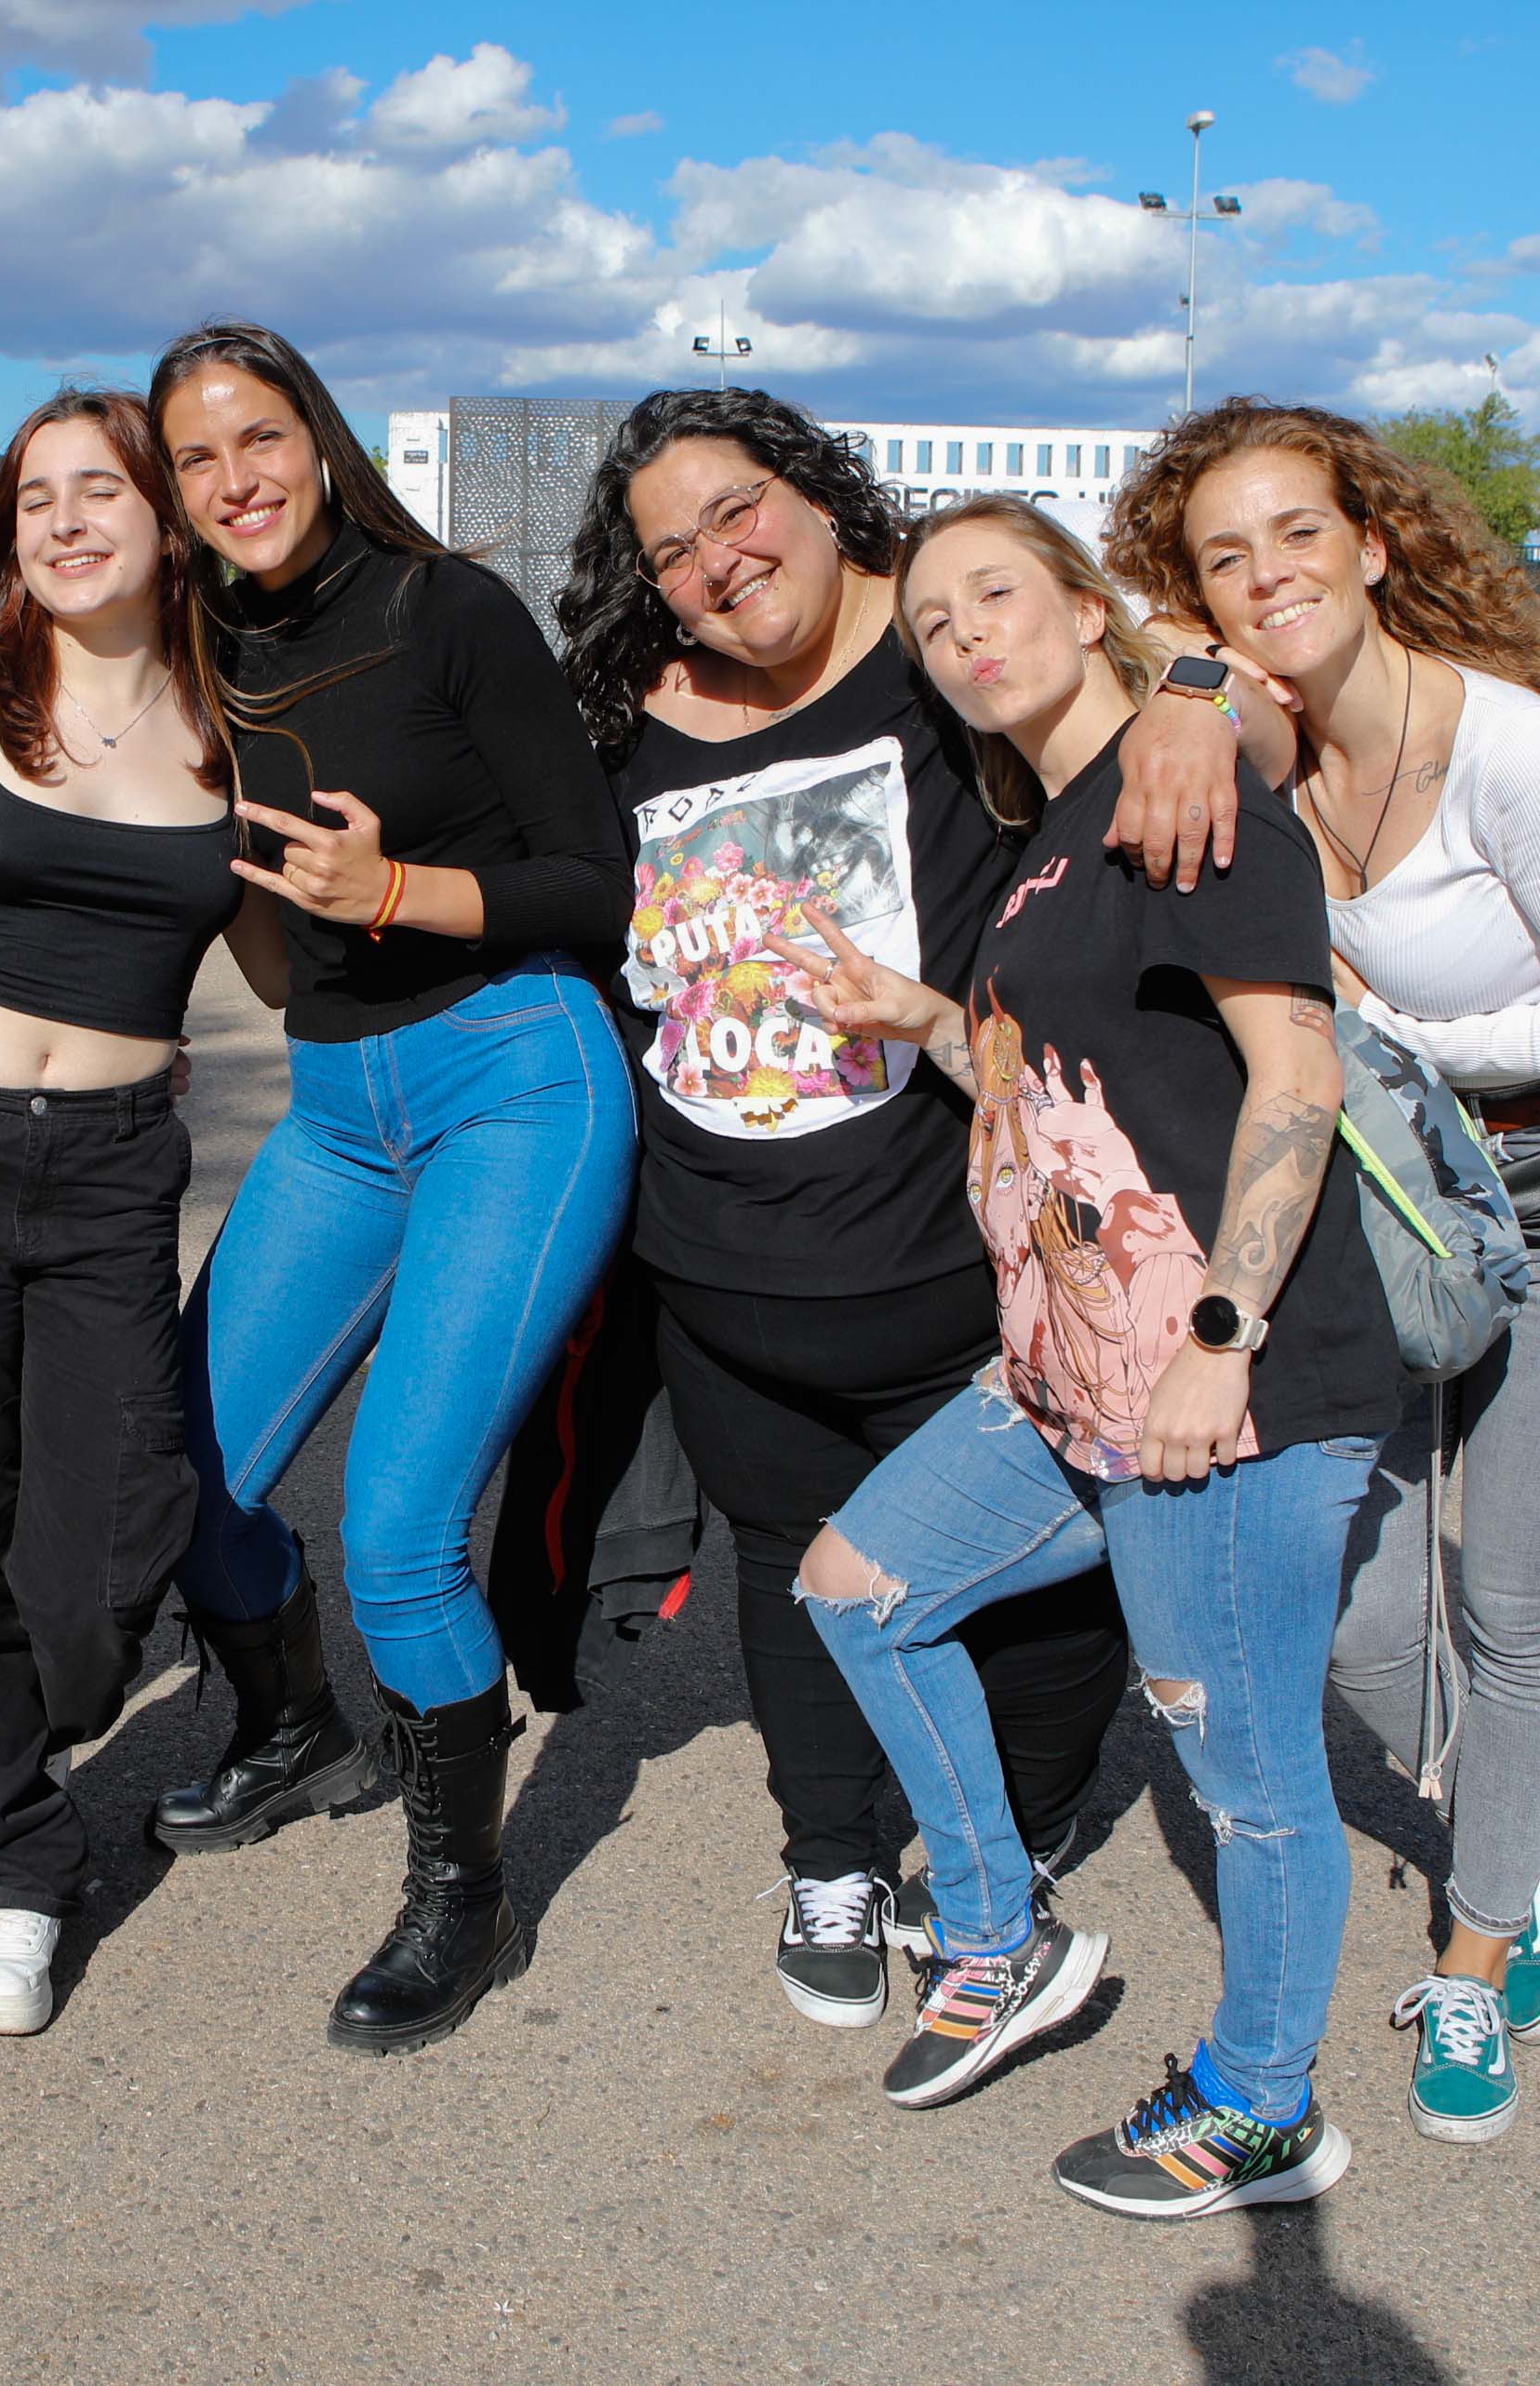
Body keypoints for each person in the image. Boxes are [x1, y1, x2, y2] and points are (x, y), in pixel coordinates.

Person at [0, 322, 636, 2052]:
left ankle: (465, 1894)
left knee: (393, 1530)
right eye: (198, 460)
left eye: (262, 440)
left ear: (318, 436)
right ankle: (296, 1725)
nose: (235, 481)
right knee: (172, 1473)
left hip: (513, 1077)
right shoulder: (195, 643)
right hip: (336, 1103)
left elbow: (596, 888)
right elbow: (24, 796)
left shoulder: (447, 607)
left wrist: (399, 894)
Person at [548, 389, 1261, 2031]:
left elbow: (1155, 625)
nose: (717, 564)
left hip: (956, 1251)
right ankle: (830, 1854)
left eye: (737, 510)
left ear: (810, 490)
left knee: (1043, 1578)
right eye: (671, 551)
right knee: (785, 1558)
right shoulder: (629, 711)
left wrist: (1196, 698)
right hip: (722, 1257)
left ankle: (995, 1847)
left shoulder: (936, 643)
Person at [775, 495, 1403, 2218]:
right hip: (1070, 1378)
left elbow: (1297, 1080)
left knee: (1246, 1771)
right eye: (934, 625)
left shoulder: (1185, 786)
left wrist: (1222, 1337)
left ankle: (1263, 2106)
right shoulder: (1060, 823)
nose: (967, 634)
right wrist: (922, 1022)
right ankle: (1000, 1933)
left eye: (999, 593)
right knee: (855, 1586)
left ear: (1082, 599)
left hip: (1224, 1395)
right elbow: (1079, 1107)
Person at [1105, 401, 1540, 2147]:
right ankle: (1507, 1807)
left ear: (1372, 544)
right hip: (1373, 1215)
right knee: (1358, 1614)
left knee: (1520, 1616)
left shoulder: (1510, 750)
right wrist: (1190, 683)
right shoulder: (1248, 721)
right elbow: (1093, 621)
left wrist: (1404, 1034)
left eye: (1298, 532)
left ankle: (1483, 1928)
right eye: (1226, 555)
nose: (1266, 573)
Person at [0, 390, 281, 2035]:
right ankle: (12, 1856)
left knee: (98, 1552)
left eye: (105, 489)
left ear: (170, 522)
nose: (68, 520)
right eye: (36, 498)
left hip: (106, 1166)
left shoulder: (237, 729)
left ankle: (40, 1709)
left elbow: (287, 966)